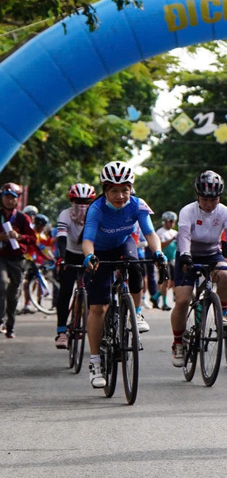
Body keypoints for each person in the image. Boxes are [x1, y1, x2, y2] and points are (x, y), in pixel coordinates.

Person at [80, 162, 165, 387]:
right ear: (105, 190)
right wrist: (89, 257)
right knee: (98, 308)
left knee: (136, 265)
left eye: (124, 190)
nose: (120, 195)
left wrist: (158, 252)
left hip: (123, 243)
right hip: (98, 250)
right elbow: (87, 240)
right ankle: (95, 362)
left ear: (131, 189)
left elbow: (150, 233)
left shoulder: (138, 205)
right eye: (114, 190)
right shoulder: (96, 208)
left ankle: (136, 313)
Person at [170, 170, 227, 364]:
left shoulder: (226, 212)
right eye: (205, 200)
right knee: (183, 300)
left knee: (226, 276)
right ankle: (178, 342)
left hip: (212, 252)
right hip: (187, 253)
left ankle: (224, 315)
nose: (210, 204)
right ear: (198, 197)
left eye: (214, 199)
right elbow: (184, 236)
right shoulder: (187, 211)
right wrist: (186, 256)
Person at [53, 183, 97, 348]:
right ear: (71, 201)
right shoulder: (65, 214)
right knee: (65, 291)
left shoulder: (95, 214)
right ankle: (61, 332)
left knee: (95, 293)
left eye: (86, 201)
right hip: (70, 254)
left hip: (89, 253)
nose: (82, 205)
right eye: (78, 201)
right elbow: (62, 237)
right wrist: (61, 258)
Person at [1, 182, 36, 337]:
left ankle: (11, 326)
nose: (9, 201)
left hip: (17, 258)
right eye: (6, 197)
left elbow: (33, 239)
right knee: (1, 284)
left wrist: (19, 236)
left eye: (12, 198)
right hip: (1, 256)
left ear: (17, 200)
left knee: (13, 291)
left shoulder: (23, 218)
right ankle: (0, 320)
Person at [151, 211, 178, 310]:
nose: (171, 223)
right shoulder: (160, 232)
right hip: (164, 259)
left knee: (174, 281)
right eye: (170, 221)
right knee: (166, 281)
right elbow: (161, 245)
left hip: (173, 259)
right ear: (165, 221)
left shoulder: (175, 232)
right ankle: (164, 303)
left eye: (173, 221)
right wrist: (172, 240)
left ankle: (156, 296)